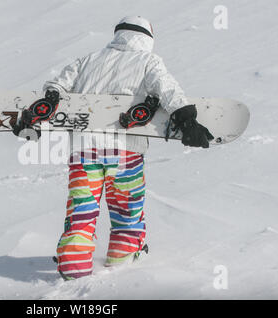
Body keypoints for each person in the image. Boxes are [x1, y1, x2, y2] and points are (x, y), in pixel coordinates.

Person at [42, 16, 213, 280]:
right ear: (148, 37)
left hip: (84, 150)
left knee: (82, 207)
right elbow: (168, 90)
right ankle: (122, 258)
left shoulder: (88, 59)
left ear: (118, 34)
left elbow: (57, 87)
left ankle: (73, 266)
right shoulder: (148, 61)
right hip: (125, 150)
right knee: (126, 206)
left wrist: (49, 98)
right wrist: (187, 119)